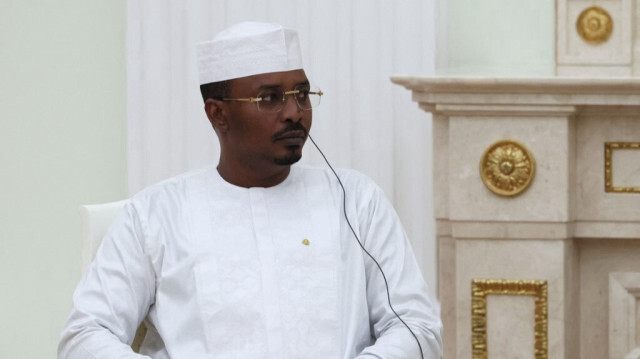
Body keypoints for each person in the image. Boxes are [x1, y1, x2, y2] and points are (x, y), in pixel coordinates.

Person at [58, 21, 443, 359]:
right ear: (218, 114)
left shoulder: (357, 200)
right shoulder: (157, 214)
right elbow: (84, 337)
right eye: (270, 98)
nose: (294, 112)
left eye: (302, 94)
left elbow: (417, 327)